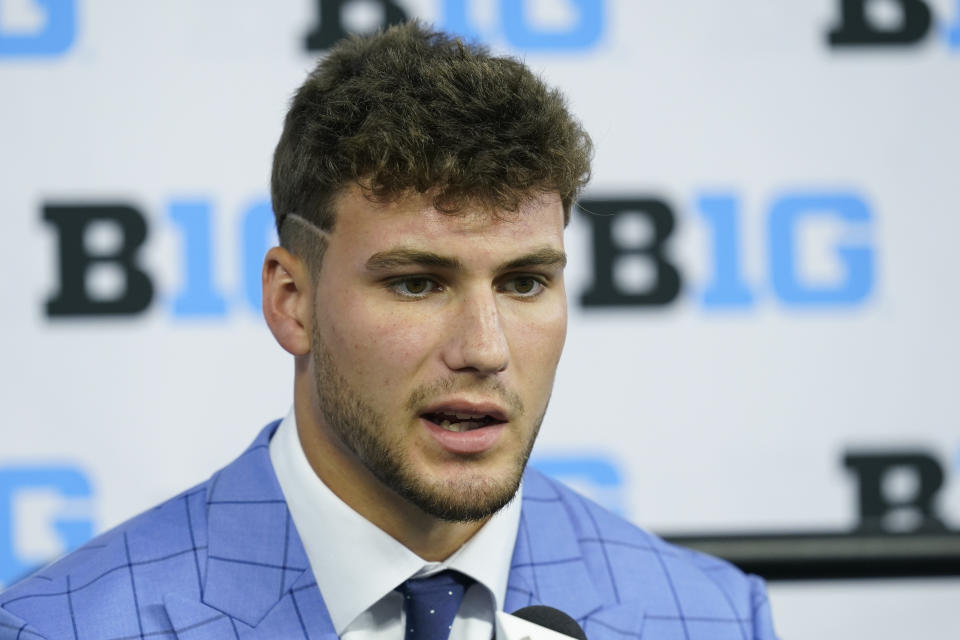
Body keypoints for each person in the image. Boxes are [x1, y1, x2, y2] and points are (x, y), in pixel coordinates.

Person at [0, 22, 777, 640]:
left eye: (524, 282)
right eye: (417, 283)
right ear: (291, 300)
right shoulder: (60, 626)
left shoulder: (709, 617)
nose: (484, 348)